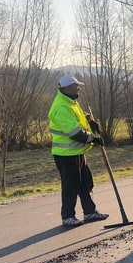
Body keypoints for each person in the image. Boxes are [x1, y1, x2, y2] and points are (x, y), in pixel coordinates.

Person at [48, 75, 109, 227]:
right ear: (68, 88)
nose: (79, 89)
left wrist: (90, 121)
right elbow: (75, 134)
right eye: (76, 86)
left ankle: (90, 212)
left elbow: (79, 117)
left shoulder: (71, 102)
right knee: (71, 186)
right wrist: (93, 139)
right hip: (66, 155)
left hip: (77, 153)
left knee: (86, 182)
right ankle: (68, 216)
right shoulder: (61, 107)